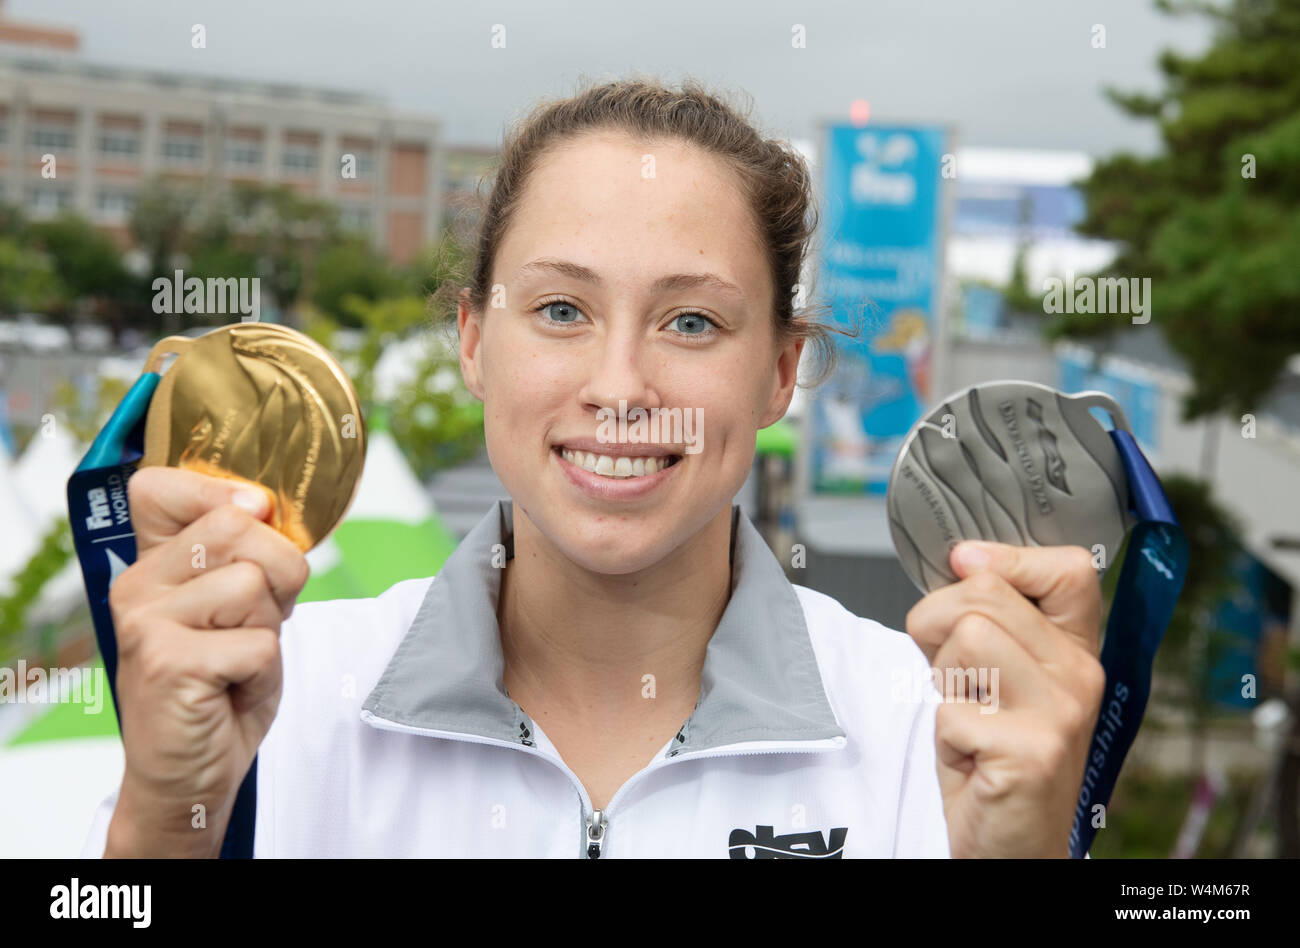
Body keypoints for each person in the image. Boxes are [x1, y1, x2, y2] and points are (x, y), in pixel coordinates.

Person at [83, 77, 1105, 859]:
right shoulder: (275, 692)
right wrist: (164, 819)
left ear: (780, 373)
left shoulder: (929, 731)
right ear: (475, 343)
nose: (620, 385)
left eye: (692, 321)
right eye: (561, 310)